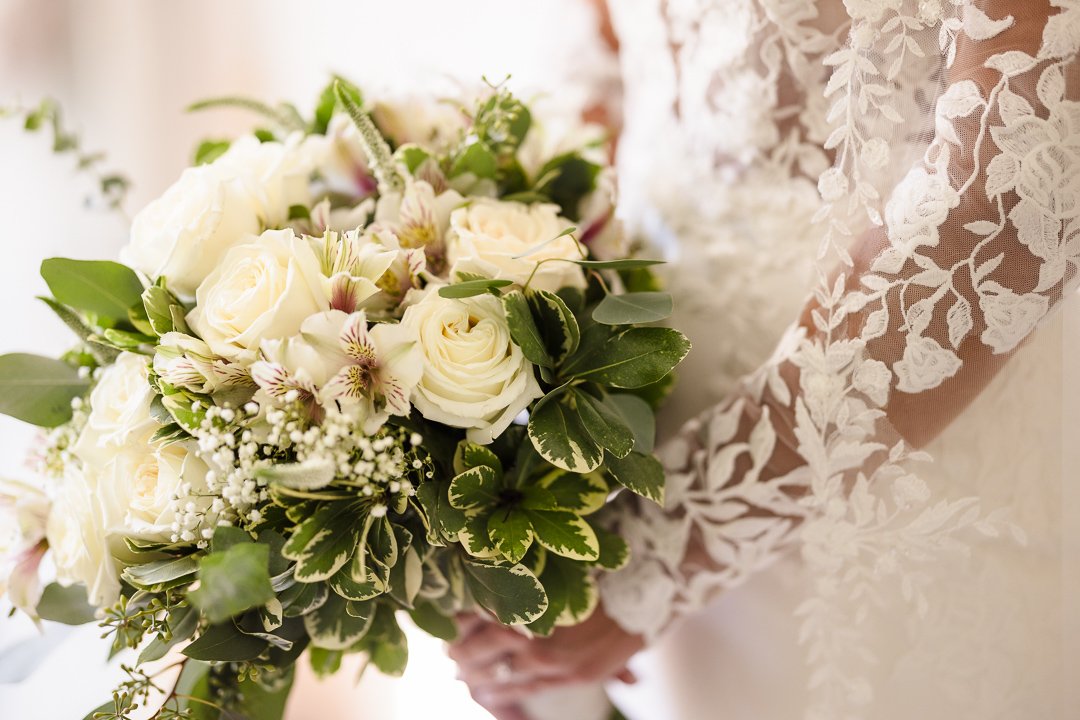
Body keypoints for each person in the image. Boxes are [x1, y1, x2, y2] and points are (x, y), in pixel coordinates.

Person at [451, 1, 1080, 718]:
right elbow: (595, 78)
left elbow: (1015, 194)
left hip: (902, 472)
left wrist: (667, 554)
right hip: (635, 456)